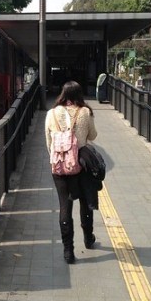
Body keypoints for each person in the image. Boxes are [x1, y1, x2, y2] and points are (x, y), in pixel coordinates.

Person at [45, 81, 98, 264]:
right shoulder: (85, 112)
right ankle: (88, 238)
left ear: (62, 94)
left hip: (60, 166)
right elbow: (93, 136)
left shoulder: (51, 113)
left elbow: (48, 143)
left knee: (65, 206)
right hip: (81, 166)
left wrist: (61, 155)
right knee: (85, 201)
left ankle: (68, 251)